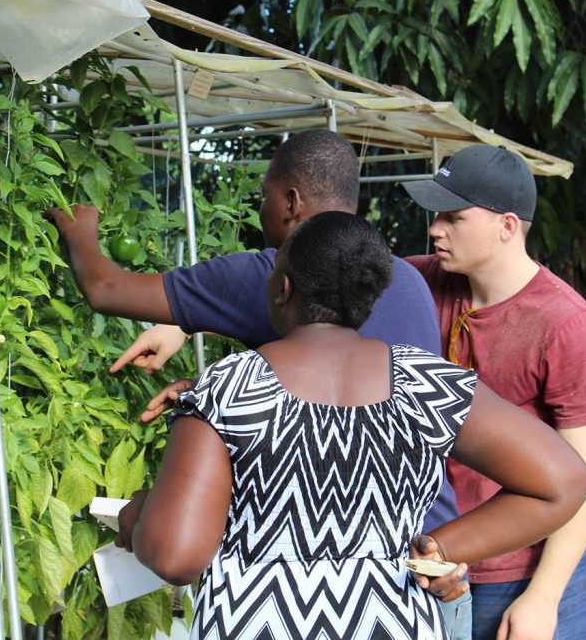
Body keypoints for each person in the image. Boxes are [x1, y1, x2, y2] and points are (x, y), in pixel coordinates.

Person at [47, 130, 474, 634]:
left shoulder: (272, 273)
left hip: (287, 594)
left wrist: (79, 228)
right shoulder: (405, 281)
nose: (260, 210)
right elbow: (346, 401)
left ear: (292, 202)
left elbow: (106, 287)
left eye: (265, 196)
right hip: (424, 573)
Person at [114, 211, 586, 640]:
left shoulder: (228, 388)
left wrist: (137, 517)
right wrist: (442, 545)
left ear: (283, 288)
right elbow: (565, 483)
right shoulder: (426, 383)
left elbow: (175, 557)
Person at [401, 144, 586, 640]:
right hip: (431, 565)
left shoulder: (566, 324)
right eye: (437, 216)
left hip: (525, 573)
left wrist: (544, 596)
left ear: (507, 225)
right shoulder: (416, 284)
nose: (436, 229)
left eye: (454, 218)